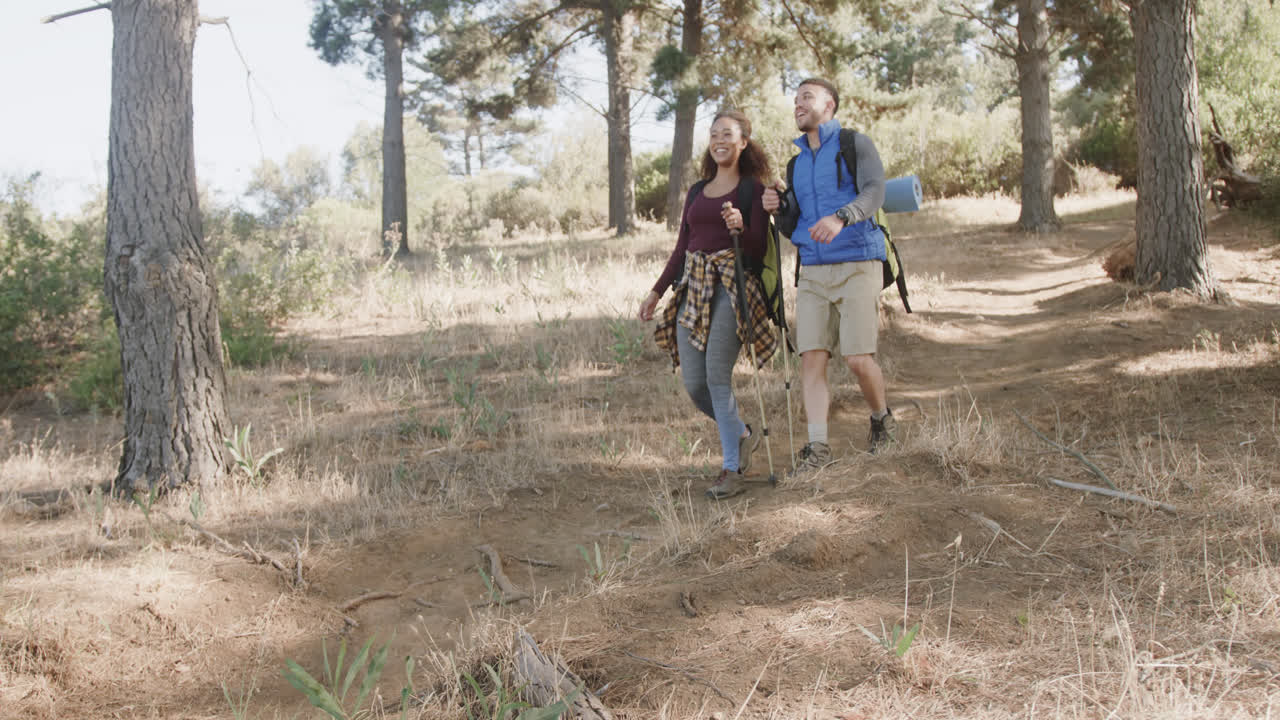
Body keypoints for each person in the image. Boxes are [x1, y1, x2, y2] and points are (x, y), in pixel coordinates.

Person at [639, 109, 778, 500]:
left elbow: (756, 248)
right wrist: (657, 290)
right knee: (695, 384)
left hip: (733, 288)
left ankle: (732, 470)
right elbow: (683, 246)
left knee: (717, 378)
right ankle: (742, 434)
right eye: (714, 133)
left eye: (728, 134)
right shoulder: (697, 191)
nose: (719, 140)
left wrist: (741, 226)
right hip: (693, 287)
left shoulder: (752, 189)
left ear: (743, 142)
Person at [762, 77, 896, 477]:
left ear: (830, 105)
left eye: (806, 97)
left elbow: (875, 192)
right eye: (795, 99)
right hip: (813, 271)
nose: (798, 104)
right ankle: (818, 447)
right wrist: (778, 207)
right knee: (812, 359)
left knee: (857, 358)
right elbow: (794, 225)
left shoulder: (856, 144)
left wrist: (843, 217)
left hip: (858, 261)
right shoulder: (796, 162)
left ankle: (881, 419)